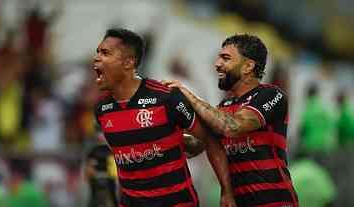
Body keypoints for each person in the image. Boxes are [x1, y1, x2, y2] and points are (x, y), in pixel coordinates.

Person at [91, 28, 235, 207]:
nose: (96, 57)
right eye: (97, 52)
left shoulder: (166, 98)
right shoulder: (102, 110)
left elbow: (210, 139)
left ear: (128, 62)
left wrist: (227, 191)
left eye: (105, 53)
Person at [164, 34, 299, 207]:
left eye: (225, 58)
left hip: (274, 202)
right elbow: (195, 145)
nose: (217, 64)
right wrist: (156, 134)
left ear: (248, 66)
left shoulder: (271, 95)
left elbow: (232, 126)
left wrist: (189, 96)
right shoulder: (224, 106)